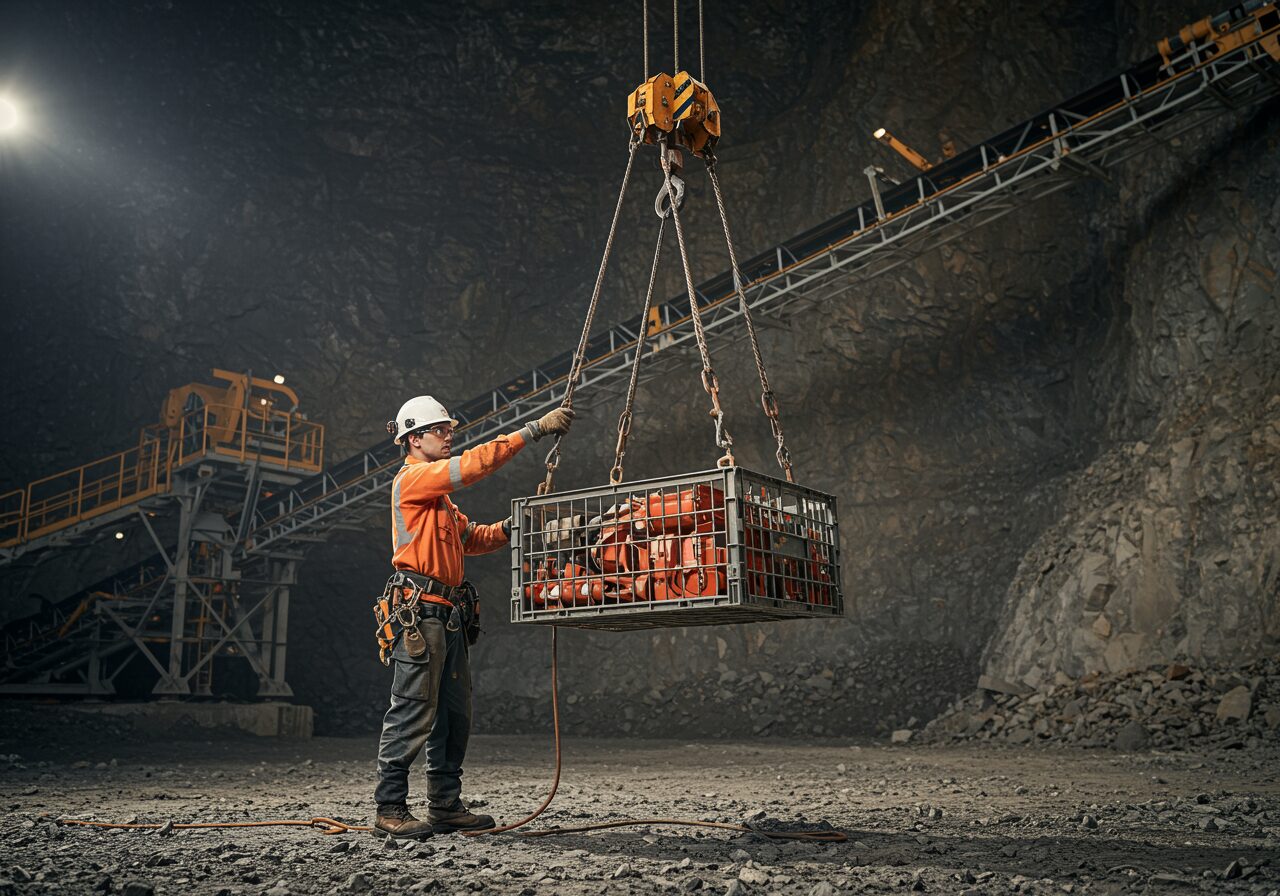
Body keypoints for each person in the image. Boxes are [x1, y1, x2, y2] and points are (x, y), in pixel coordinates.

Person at [373, 395, 574, 838]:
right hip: (419, 614)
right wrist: (533, 430)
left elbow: (473, 539)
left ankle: (444, 805)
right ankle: (389, 808)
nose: (448, 436)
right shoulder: (413, 481)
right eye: (439, 431)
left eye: (449, 430)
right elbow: (473, 465)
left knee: (453, 714)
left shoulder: (440, 503)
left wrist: (518, 523)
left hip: (447, 615)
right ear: (413, 438)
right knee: (412, 710)